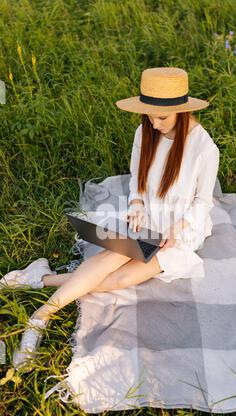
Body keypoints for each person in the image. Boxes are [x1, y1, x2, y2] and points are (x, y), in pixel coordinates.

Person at [0, 66, 220, 372]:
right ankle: (41, 315)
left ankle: (39, 278)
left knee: (122, 278)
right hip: (147, 221)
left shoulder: (205, 149)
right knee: (111, 255)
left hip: (180, 230)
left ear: (181, 111)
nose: (154, 124)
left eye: (162, 118)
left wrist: (176, 227)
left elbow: (202, 201)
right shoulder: (144, 131)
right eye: (149, 115)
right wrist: (138, 203)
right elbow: (137, 179)